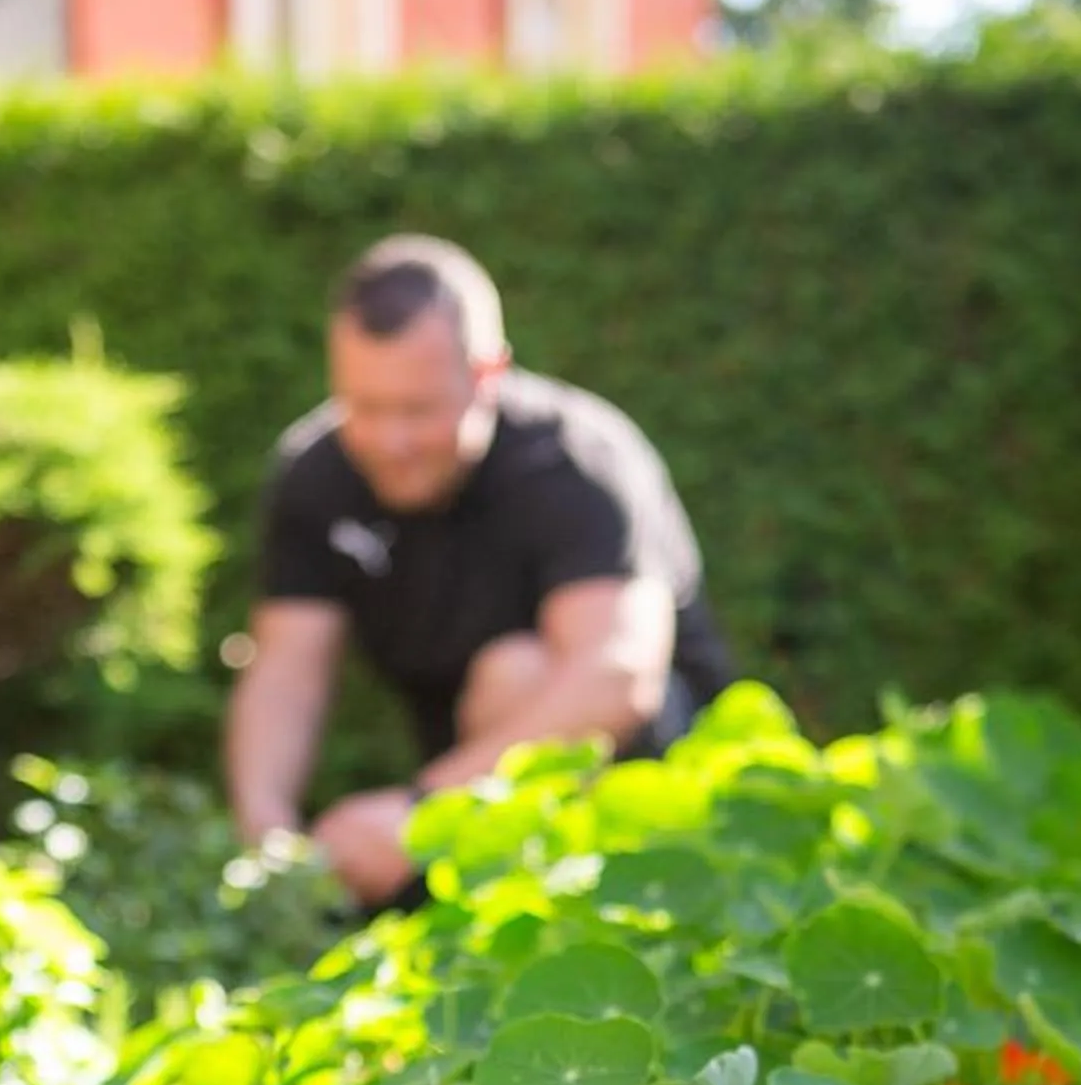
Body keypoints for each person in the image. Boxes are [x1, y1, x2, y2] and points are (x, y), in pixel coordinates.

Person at [224, 235, 732, 907]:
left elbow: (615, 678)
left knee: (514, 670)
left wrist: (420, 808)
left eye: (417, 410)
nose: (389, 441)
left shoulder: (577, 463)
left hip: (651, 790)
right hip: (466, 806)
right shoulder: (317, 474)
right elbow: (286, 669)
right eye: (364, 407)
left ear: (488, 374)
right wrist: (268, 836)